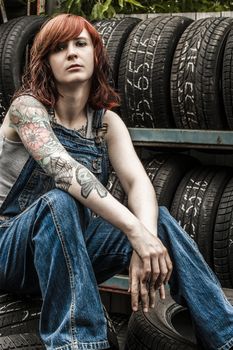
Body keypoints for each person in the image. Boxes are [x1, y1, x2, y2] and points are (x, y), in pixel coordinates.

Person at [0, 13, 232, 350]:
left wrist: (146, 238)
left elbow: (139, 184)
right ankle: (81, 343)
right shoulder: (27, 109)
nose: (72, 53)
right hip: (10, 248)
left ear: (96, 54)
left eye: (80, 44)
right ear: (45, 62)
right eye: (59, 48)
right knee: (60, 202)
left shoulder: (106, 123)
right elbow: (64, 172)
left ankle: (225, 336)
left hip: (69, 250)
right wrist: (134, 231)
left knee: (161, 221)